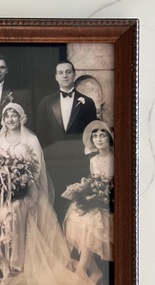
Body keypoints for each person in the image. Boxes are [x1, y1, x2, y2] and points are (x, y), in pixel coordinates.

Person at [0, 103, 97, 285]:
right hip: (1, 192)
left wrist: (18, 184)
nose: (10, 119)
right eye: (7, 115)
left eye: (14, 115)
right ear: (3, 119)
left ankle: (10, 268)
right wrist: (3, 185)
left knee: (13, 213)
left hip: (25, 191)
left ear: (21, 118)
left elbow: (37, 171)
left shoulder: (31, 140)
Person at [35, 60, 98, 223]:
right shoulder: (46, 102)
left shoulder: (87, 103)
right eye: (61, 72)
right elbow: (40, 133)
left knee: (78, 203)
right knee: (55, 200)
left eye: (68, 72)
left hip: (77, 161)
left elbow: (92, 133)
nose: (65, 75)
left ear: (74, 75)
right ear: (56, 77)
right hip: (53, 161)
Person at [62, 120, 114, 285]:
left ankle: (81, 271)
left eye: (102, 135)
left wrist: (104, 194)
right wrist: (86, 188)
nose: (99, 139)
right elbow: (94, 180)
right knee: (76, 218)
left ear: (109, 138)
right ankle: (94, 270)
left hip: (110, 203)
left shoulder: (116, 157)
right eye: (95, 136)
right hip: (97, 200)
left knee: (91, 222)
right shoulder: (94, 160)